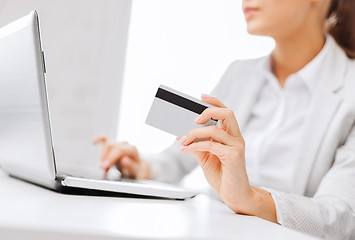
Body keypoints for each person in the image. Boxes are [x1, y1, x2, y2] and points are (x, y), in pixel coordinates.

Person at [94, 0, 355, 239]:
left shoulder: (349, 90)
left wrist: (250, 198)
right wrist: (143, 166)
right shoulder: (240, 74)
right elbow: (183, 156)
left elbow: (339, 218)